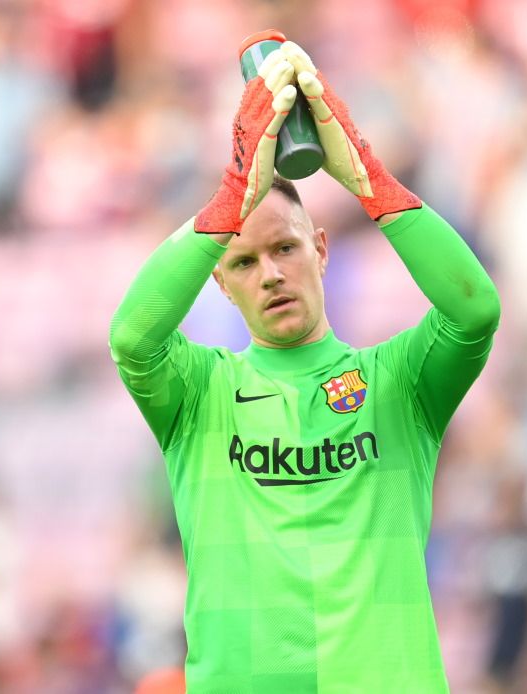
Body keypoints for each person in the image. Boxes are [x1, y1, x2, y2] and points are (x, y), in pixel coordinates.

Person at [109, 40, 501, 692]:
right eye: (243, 261)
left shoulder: (398, 382)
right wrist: (232, 196)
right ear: (220, 283)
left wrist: (364, 174)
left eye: (285, 249)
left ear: (320, 249)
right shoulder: (200, 393)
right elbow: (131, 337)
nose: (269, 274)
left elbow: (475, 310)